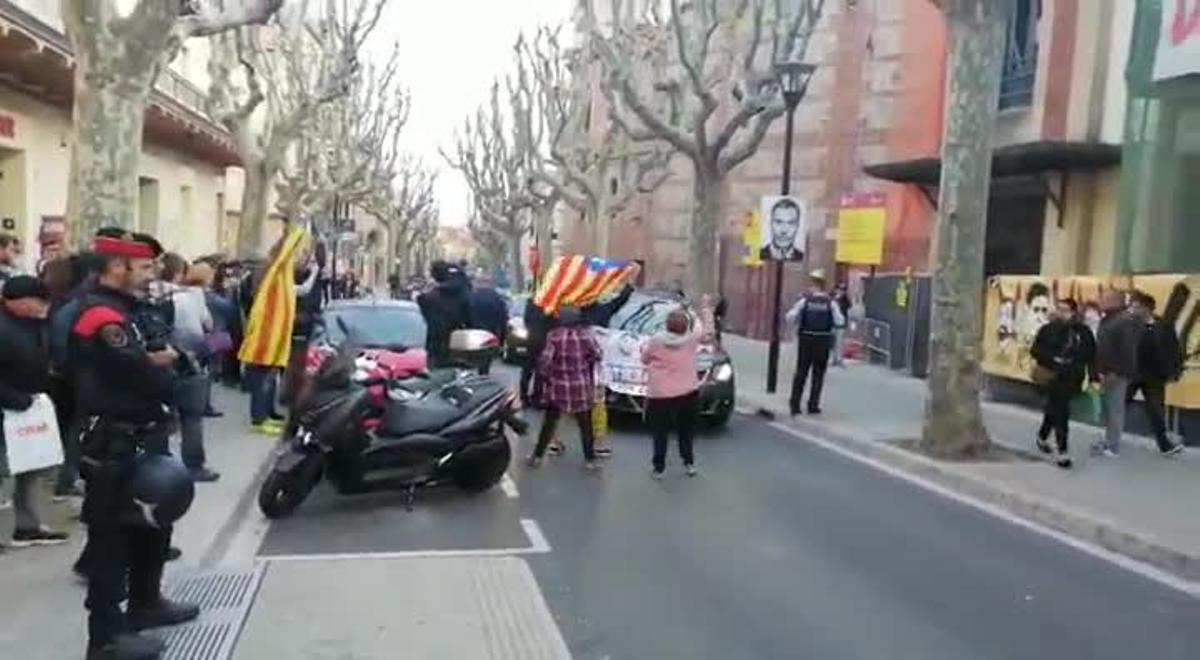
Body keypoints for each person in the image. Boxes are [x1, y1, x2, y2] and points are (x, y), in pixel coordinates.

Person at [72, 229, 199, 659]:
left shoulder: (125, 310)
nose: (151, 275)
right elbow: (135, 371)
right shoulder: (98, 315)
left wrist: (158, 360)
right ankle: (105, 638)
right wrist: (165, 367)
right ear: (116, 267)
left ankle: (146, 603)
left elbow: (145, 360)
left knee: (153, 524)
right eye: (144, 267)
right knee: (111, 539)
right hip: (112, 442)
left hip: (140, 435)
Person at [0, 275, 70, 546]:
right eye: (37, 301)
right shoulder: (5, 328)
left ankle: (27, 526)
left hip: (27, 408)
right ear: (19, 302)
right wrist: (13, 398)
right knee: (5, 471)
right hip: (10, 406)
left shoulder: (33, 325)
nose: (42, 306)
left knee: (29, 469)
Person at [527, 306, 603, 470]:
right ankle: (590, 461)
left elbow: (545, 362)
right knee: (585, 426)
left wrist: (546, 376)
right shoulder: (585, 336)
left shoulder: (554, 336)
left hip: (558, 387)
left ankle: (537, 457)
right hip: (581, 387)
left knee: (549, 424)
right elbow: (597, 354)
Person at [1030, 299, 1096, 469]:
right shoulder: (1048, 329)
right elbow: (1035, 350)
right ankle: (1063, 452)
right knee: (1061, 412)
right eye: (1059, 308)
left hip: (1073, 377)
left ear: (1074, 312)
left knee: (1055, 409)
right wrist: (1053, 358)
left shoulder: (1083, 331)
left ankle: (1042, 436)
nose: (1061, 312)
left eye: (1065, 309)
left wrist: (1095, 377)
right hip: (1052, 376)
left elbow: (1091, 355)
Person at [170, 261, 219, 482]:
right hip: (187, 359)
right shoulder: (192, 296)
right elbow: (204, 326)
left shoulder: (152, 296)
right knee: (191, 417)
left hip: (161, 358)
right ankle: (193, 466)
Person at [642, 308, 705, 478]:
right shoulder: (691, 340)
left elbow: (645, 359)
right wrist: (695, 310)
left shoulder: (656, 341)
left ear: (667, 325)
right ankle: (689, 463)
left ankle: (659, 468)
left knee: (660, 432)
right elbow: (701, 327)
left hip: (660, 393)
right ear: (686, 327)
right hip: (687, 391)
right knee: (686, 430)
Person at [1129, 291, 1185, 457]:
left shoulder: (1164, 326)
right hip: (1132, 374)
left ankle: (1165, 446)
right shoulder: (1129, 325)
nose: (1133, 309)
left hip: (1154, 376)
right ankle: (1109, 440)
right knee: (1117, 405)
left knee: (1156, 411)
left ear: (1147, 308)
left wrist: (1175, 370)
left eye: (1137, 306)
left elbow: (1174, 349)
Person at [785, 271, 844, 415]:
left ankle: (795, 404)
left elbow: (790, 317)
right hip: (823, 341)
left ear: (815, 285)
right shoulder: (831, 303)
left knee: (801, 373)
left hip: (806, 340)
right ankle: (813, 405)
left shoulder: (805, 301)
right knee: (818, 374)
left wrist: (797, 324)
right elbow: (840, 321)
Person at [1093, 289, 1143, 457]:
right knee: (1109, 408)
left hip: (1116, 373)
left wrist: (1116, 371)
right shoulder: (1109, 319)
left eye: (1103, 298)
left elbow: (1127, 351)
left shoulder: (1123, 322)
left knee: (1115, 408)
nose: (1099, 301)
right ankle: (1108, 440)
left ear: (1114, 301)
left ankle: (1112, 445)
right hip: (1107, 372)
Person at [417, 261, 471, 368]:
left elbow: (425, 313)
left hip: (436, 347)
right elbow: (469, 320)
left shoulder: (429, 297)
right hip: (457, 348)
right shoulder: (463, 296)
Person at [469, 276, 509, 375]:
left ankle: (479, 372)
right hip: (490, 331)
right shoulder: (496, 298)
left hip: (474, 330)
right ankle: (484, 373)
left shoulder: (471, 297)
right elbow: (502, 318)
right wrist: (502, 339)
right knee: (486, 357)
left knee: (476, 355)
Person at [831, 283, 852, 367]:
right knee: (833, 342)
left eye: (843, 290)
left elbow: (849, 306)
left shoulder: (845, 299)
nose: (841, 291)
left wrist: (844, 297)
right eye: (839, 289)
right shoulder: (832, 298)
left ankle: (839, 359)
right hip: (833, 323)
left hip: (841, 323)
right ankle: (834, 359)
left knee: (839, 342)